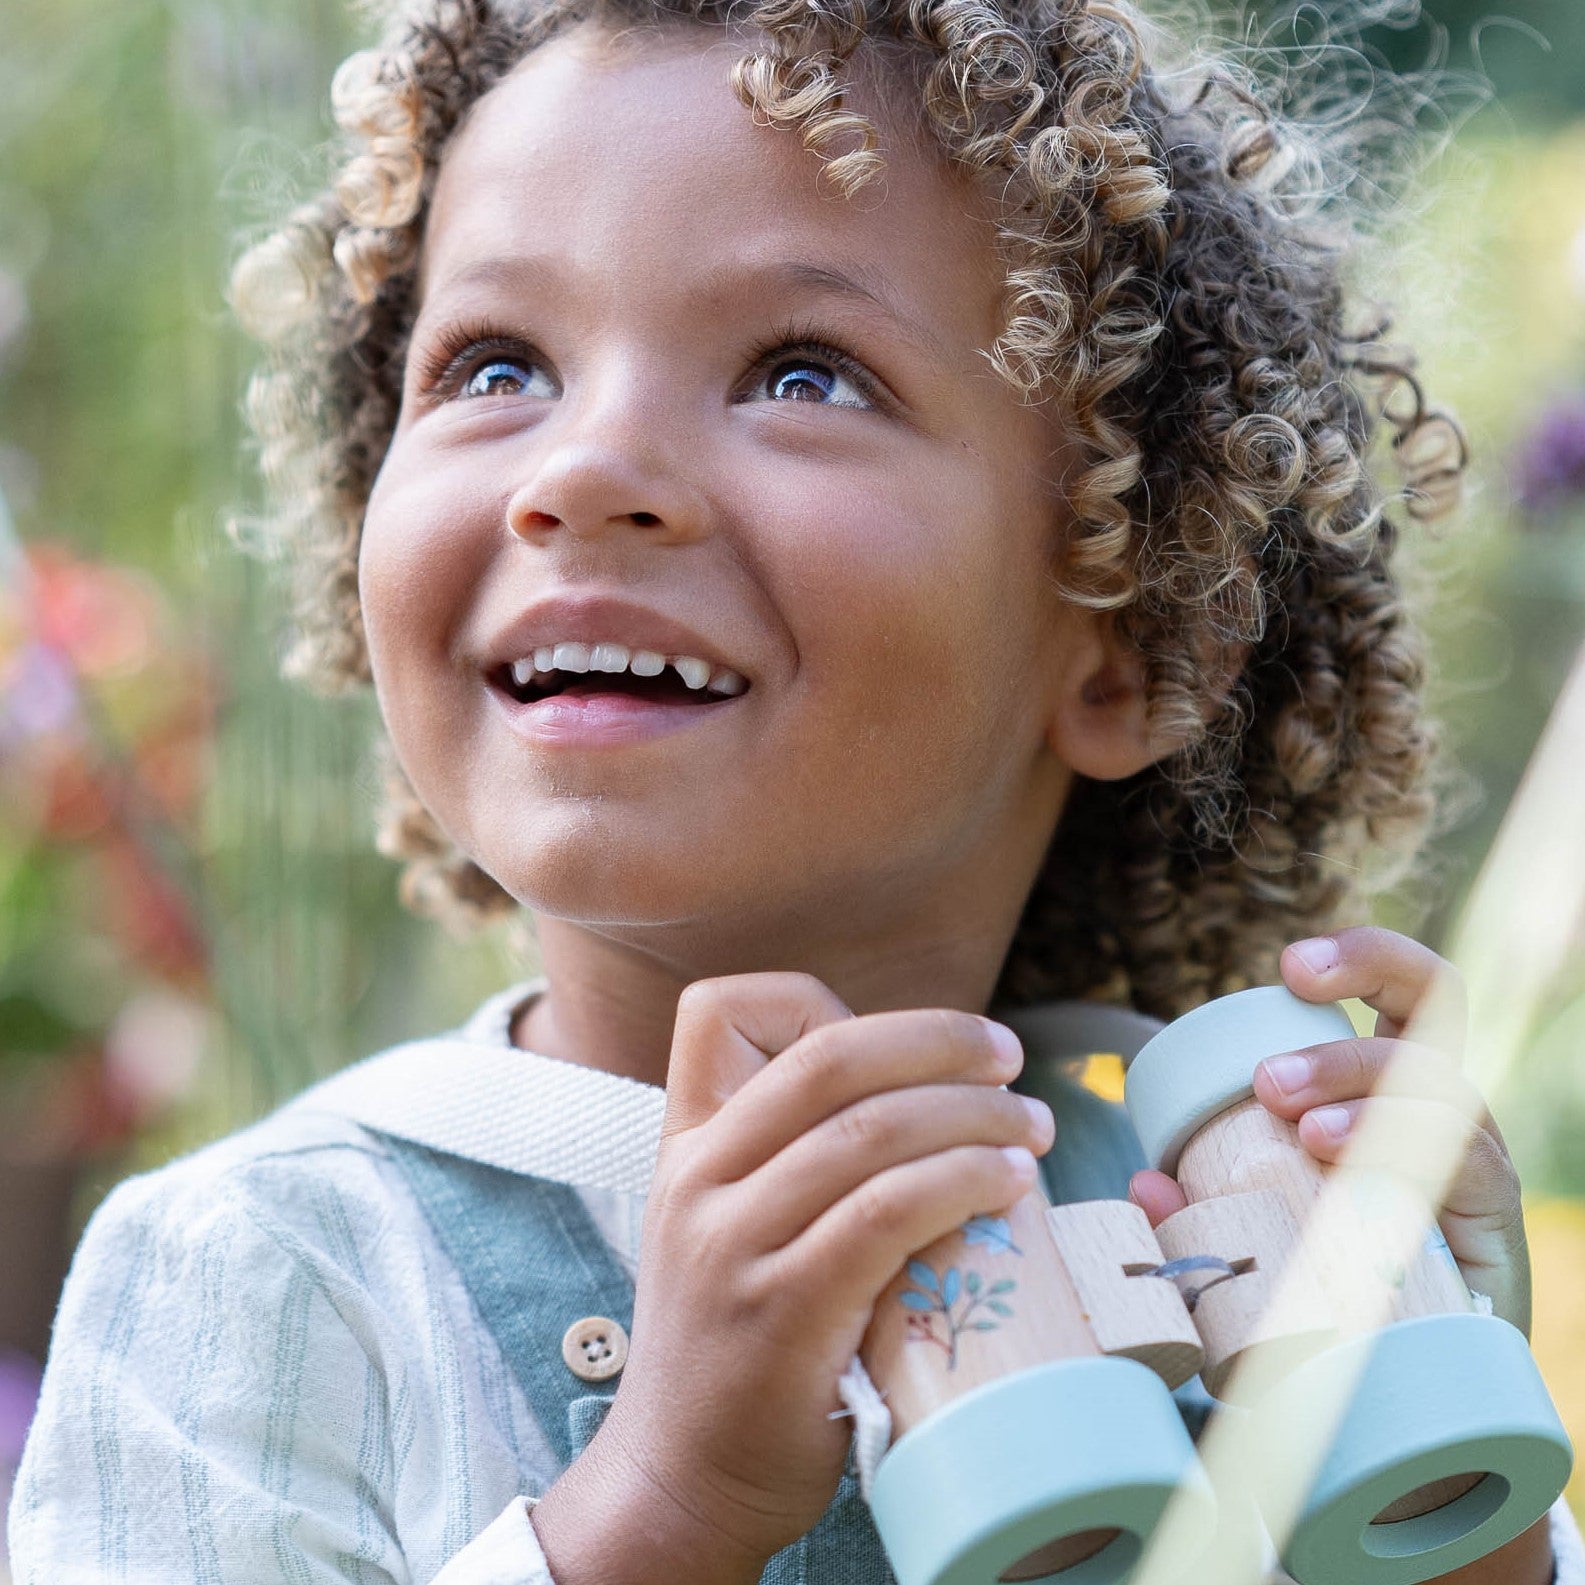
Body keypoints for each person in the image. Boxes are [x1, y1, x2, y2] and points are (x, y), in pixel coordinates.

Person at [8, 0, 1580, 1580]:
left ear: (1131, 638)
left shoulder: (1211, 1197)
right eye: (497, 363)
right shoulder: (270, 1269)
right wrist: (662, 1508)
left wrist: (1452, 1508)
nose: (584, 471)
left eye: (804, 375)